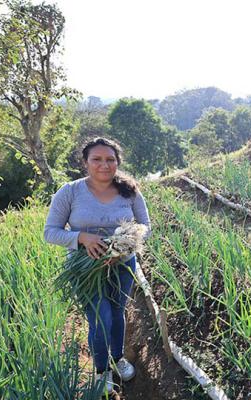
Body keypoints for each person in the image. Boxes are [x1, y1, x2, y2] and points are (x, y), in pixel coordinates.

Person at [44, 137, 151, 393]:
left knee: (117, 312)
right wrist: (81, 237)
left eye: (110, 159)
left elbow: (145, 226)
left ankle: (119, 358)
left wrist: (124, 245)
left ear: (117, 162)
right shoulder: (70, 192)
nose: (104, 165)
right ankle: (102, 370)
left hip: (122, 265)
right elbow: (50, 232)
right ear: (85, 162)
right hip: (85, 267)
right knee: (100, 318)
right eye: (97, 159)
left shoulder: (130, 191)